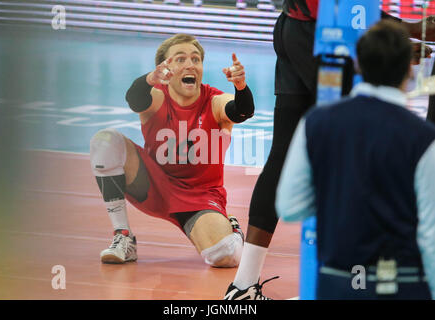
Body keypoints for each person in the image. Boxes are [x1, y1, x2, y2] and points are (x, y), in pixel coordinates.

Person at [224, 0, 435, 300]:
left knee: (283, 153)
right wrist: (406, 29)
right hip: (322, 33)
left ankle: (243, 285)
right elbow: (342, 7)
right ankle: (352, 282)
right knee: (352, 143)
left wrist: (397, 38)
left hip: (294, 27)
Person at [90, 34, 256, 268]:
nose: (190, 64)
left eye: (196, 59)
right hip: (152, 185)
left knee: (224, 256)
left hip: (200, 197)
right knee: (105, 141)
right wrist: (150, 79)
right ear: (165, 69)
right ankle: (123, 236)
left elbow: (241, 110)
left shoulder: (214, 100)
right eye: (180, 59)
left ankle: (233, 230)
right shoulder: (157, 96)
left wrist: (240, 87)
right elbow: (135, 99)